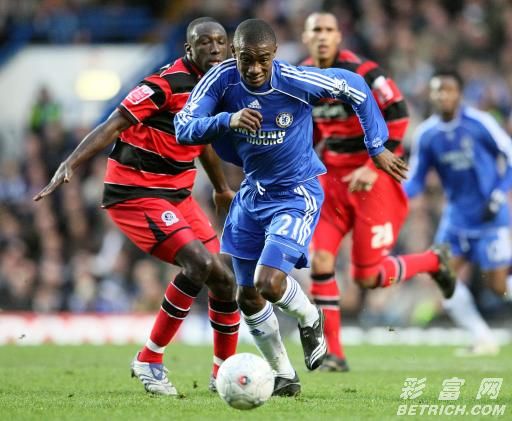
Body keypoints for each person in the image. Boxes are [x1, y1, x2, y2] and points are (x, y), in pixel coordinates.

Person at [174, 18, 409, 396]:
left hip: (296, 194)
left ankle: (311, 316)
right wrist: (228, 119)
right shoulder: (220, 80)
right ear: (234, 53)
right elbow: (183, 127)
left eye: (262, 60)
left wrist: (376, 145)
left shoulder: (296, 80)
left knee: (268, 283)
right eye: (246, 59)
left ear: (275, 55)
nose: (254, 68)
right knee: (247, 296)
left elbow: (357, 88)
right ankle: (284, 374)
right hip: (252, 195)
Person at [33, 17, 240, 395]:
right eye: (204, 42)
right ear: (188, 49)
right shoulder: (164, 84)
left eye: (220, 42)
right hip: (136, 192)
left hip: (177, 194)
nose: (214, 48)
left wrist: (222, 188)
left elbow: (204, 142)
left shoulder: (218, 86)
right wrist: (70, 162)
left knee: (225, 278)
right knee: (198, 264)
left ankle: (223, 373)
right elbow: (113, 123)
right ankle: (149, 359)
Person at [300, 12, 456, 372]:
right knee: (321, 261)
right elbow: (307, 126)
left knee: (366, 278)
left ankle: (433, 261)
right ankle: (333, 353)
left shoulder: (365, 71)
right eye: (316, 31)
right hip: (332, 181)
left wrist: (372, 167)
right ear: (306, 37)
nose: (322, 36)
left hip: (373, 179)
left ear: (339, 36)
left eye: (328, 30)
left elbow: (399, 114)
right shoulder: (300, 75)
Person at [406, 69, 512, 356]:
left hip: (490, 217)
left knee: (498, 286)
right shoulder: (427, 134)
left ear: (459, 94)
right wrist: (396, 199)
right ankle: (483, 338)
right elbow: (416, 179)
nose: (443, 95)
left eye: (449, 90)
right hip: (456, 219)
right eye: (438, 90)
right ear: (431, 94)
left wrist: (500, 193)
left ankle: (484, 335)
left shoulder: (480, 123)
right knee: (442, 275)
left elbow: (509, 157)